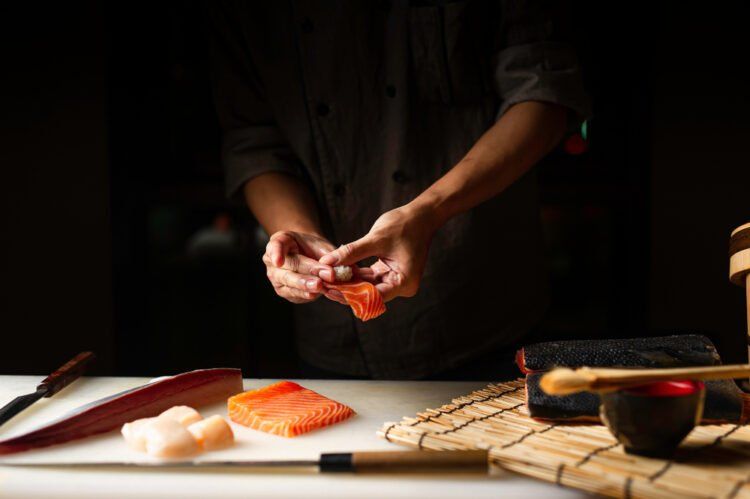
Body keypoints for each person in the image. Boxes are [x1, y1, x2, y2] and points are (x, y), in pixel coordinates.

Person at [207, 1, 590, 380]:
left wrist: (428, 211)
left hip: (484, 310)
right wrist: (297, 231)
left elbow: (543, 95)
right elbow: (253, 142)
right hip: (332, 332)